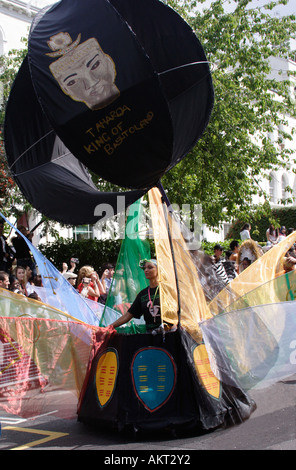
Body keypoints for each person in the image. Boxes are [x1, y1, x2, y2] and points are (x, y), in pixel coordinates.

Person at [111, 259, 162, 332]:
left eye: (150, 267)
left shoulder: (166, 291)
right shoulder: (143, 294)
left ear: (159, 270)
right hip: (150, 335)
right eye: (144, 268)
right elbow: (128, 315)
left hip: (168, 334)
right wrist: (110, 327)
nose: (146, 270)